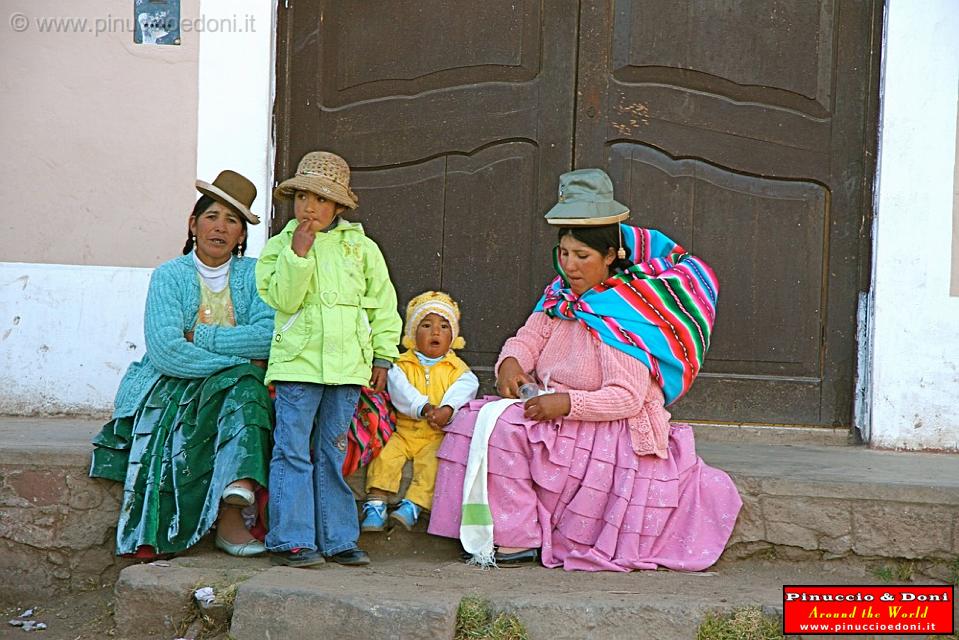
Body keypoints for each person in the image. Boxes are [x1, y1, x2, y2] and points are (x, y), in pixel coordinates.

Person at [427, 168, 742, 571]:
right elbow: (529, 337)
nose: (570, 266)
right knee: (471, 422)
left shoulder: (625, 311)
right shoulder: (559, 297)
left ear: (610, 256)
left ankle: (517, 538)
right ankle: (500, 530)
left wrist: (565, 403)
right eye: (563, 254)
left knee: (505, 431)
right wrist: (511, 362)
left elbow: (626, 398)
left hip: (605, 430)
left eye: (582, 257)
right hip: (554, 411)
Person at [90, 170, 275, 558]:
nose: (220, 228)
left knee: (246, 393)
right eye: (212, 216)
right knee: (234, 390)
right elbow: (167, 350)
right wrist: (240, 360)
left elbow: (269, 335)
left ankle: (232, 510)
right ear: (193, 224)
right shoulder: (169, 276)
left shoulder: (258, 274)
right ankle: (214, 512)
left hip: (235, 382)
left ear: (242, 235)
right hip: (175, 380)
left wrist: (202, 336)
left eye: (232, 220)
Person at [256, 151, 402, 568]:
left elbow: (381, 306)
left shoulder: (362, 249)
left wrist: (382, 356)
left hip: (346, 369)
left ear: (338, 205)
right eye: (302, 197)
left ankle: (337, 538)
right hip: (298, 366)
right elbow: (282, 299)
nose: (309, 207)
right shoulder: (279, 247)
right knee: (292, 451)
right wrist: (297, 256)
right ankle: (290, 539)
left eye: (320, 199)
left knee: (333, 452)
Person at [361, 291, 479, 532]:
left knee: (433, 464)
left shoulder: (458, 369)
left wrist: (447, 409)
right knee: (385, 458)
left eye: (444, 327)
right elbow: (400, 390)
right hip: (403, 431)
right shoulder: (401, 364)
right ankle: (376, 504)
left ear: (453, 337)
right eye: (426, 325)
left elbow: (465, 390)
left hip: (435, 435)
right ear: (413, 335)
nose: (435, 332)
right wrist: (424, 407)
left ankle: (412, 505)